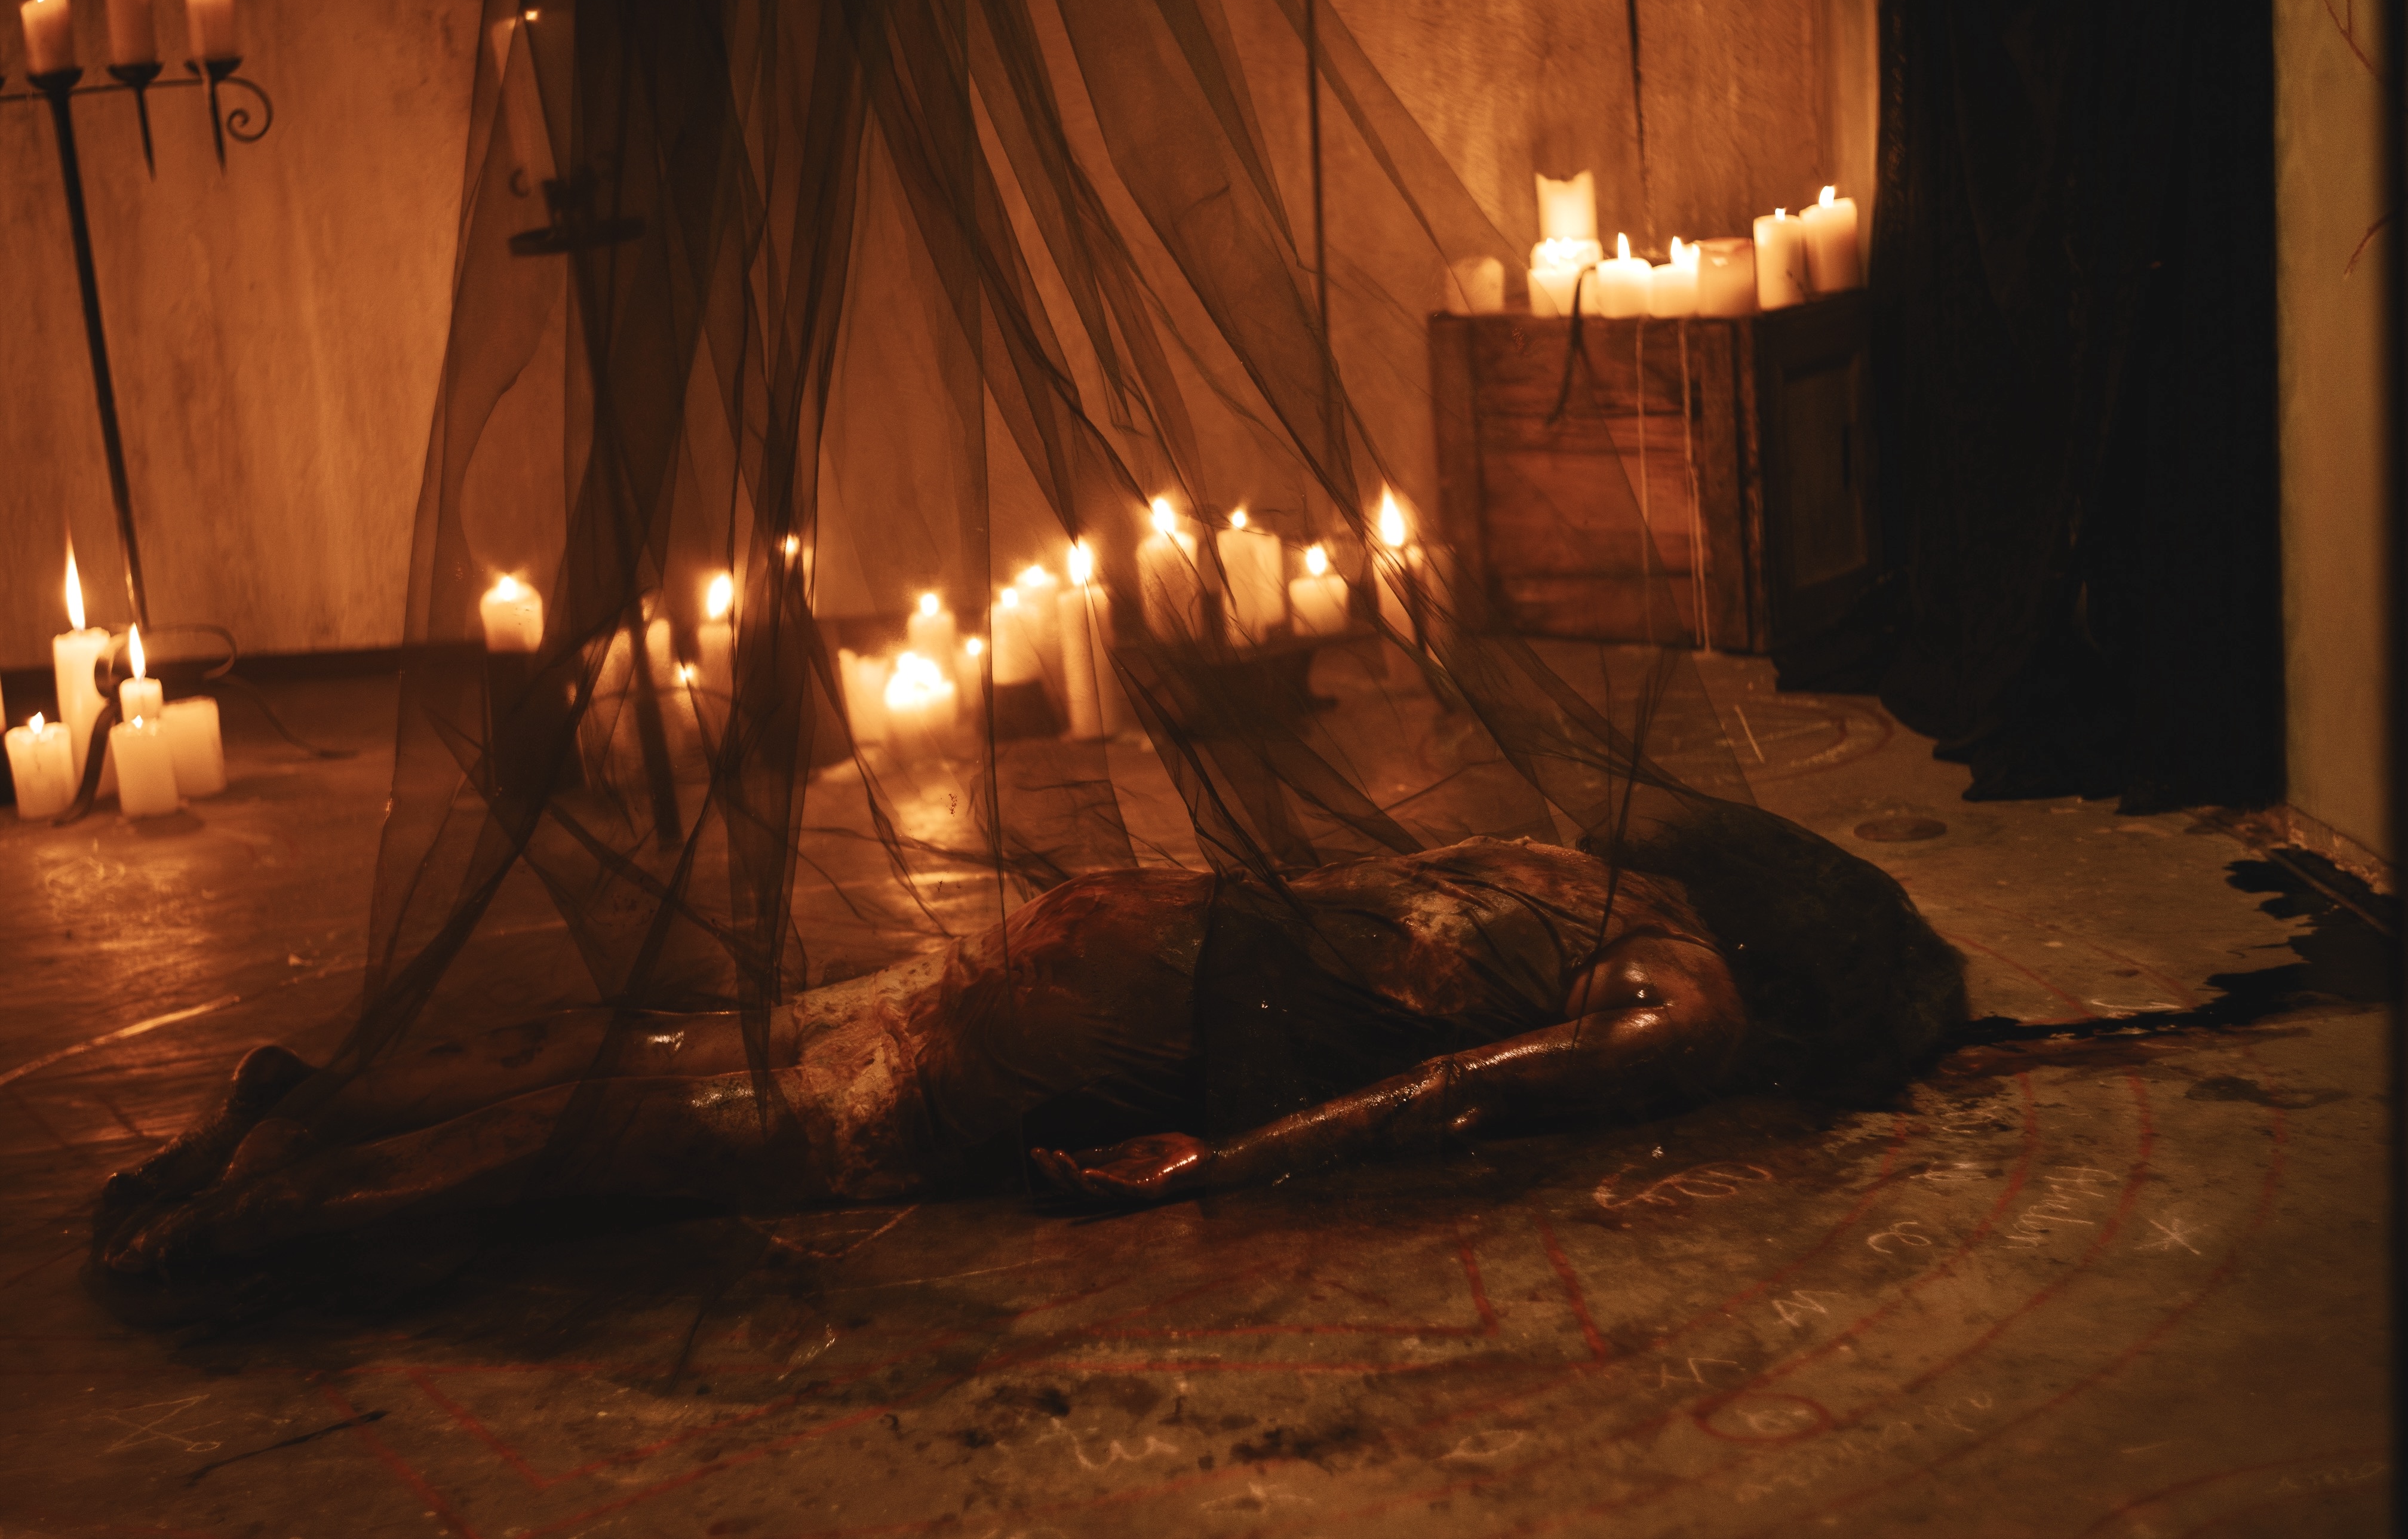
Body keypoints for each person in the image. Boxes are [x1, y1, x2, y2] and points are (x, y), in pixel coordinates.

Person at [94, 801, 1967, 1277]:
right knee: (727, 1130)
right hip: (1145, 1015)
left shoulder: (1579, 860)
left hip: (1141, 911)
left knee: (690, 1042)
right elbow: (1452, 1092)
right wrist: (1221, 1161)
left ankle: (306, 1101)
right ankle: (263, 1226)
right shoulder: (1688, 996)